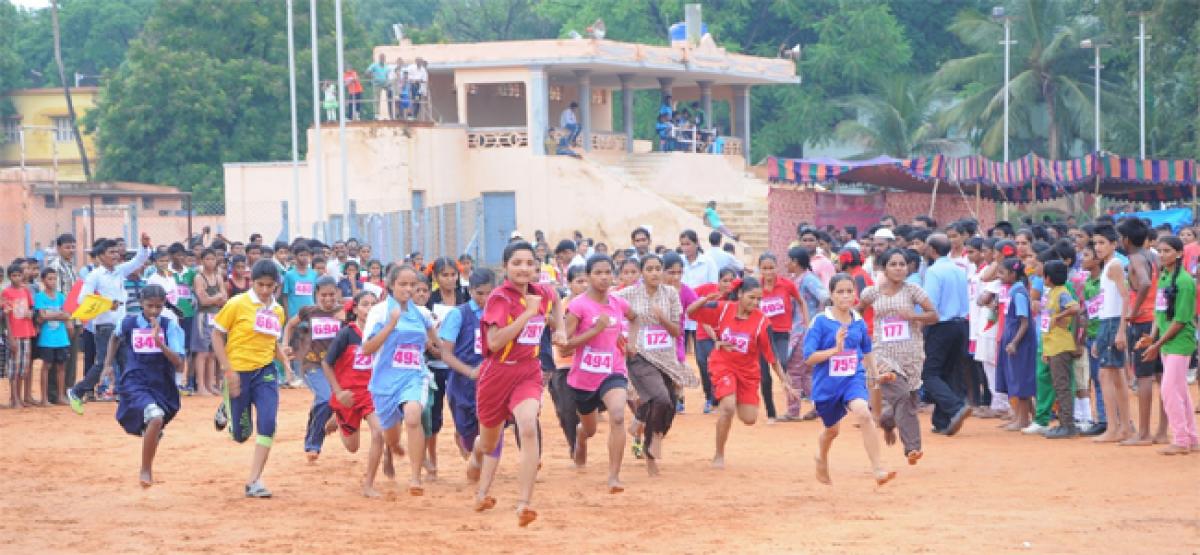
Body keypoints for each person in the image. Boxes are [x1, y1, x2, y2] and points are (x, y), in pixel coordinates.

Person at [468, 241, 566, 527]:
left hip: (528, 372)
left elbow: (557, 299)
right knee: (489, 442)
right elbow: (494, 342)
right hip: (496, 374)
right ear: (505, 267)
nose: (524, 269)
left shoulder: (543, 293)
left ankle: (524, 503)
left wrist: (558, 327)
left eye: (529, 263)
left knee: (528, 426)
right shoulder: (499, 298)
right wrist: (527, 314)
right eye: (517, 263)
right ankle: (476, 454)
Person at [687, 278, 795, 469]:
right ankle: (719, 454)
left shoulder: (762, 321)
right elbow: (691, 312)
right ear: (739, 295)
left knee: (749, 418)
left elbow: (772, 356)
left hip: (747, 372)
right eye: (751, 297)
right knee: (728, 407)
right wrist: (704, 300)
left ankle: (732, 395)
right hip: (723, 365)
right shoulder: (723, 309)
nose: (755, 303)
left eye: (758, 299)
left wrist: (785, 381)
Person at [803, 274, 894, 486]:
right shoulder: (820, 322)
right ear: (832, 295)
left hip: (852, 378)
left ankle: (878, 468)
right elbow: (808, 358)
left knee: (863, 411)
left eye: (849, 291)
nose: (846, 296)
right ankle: (821, 456)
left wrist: (874, 375)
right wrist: (835, 350)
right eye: (840, 292)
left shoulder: (858, 321)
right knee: (832, 430)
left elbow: (867, 349)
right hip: (827, 385)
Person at [211, 259, 289, 498]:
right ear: (251, 282)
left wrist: (284, 360)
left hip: (265, 372)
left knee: (268, 423)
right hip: (238, 372)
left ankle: (254, 480)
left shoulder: (277, 310)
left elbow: (271, 339)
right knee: (240, 435)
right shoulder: (237, 304)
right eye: (260, 285)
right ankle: (226, 407)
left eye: (269, 286)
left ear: (276, 285)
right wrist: (228, 370)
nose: (265, 291)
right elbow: (216, 334)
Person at [361, 265, 440, 496]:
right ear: (391, 286)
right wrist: (391, 324)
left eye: (412, 285)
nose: (408, 289)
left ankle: (415, 478)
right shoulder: (379, 312)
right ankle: (392, 446)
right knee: (391, 436)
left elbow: (438, 345)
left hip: (414, 375)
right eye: (403, 284)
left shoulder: (422, 313)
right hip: (385, 381)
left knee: (413, 415)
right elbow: (367, 349)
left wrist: (446, 352)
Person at [563, 255, 636, 492]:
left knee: (617, 415)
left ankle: (614, 476)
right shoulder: (577, 306)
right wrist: (596, 329)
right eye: (598, 273)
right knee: (590, 429)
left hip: (613, 371)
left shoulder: (618, 303)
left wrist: (632, 343)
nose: (604, 277)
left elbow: (635, 319)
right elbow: (565, 345)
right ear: (589, 276)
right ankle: (581, 436)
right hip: (584, 378)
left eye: (608, 272)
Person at [857, 249, 938, 463]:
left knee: (909, 399)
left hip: (910, 353)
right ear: (884, 268)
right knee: (901, 394)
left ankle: (887, 420)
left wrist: (914, 315)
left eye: (902, 264)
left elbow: (934, 315)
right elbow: (857, 312)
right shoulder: (871, 293)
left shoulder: (914, 291)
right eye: (893, 264)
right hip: (882, 352)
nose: (899, 268)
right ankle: (912, 447)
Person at [614, 254, 691, 475]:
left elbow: (676, 331)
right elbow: (608, 307)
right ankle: (650, 452)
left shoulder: (671, 294)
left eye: (658, 268)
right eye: (650, 269)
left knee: (670, 403)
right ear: (641, 272)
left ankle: (646, 427)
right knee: (660, 397)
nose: (655, 273)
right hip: (639, 358)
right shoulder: (627, 294)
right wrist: (622, 339)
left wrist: (662, 318)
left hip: (666, 357)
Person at [107, 284, 184, 487]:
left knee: (156, 420)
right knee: (155, 417)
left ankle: (149, 434)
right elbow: (114, 338)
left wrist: (160, 344)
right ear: (141, 303)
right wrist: (107, 365)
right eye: (150, 306)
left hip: (161, 383)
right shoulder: (128, 323)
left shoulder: (170, 326)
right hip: (135, 379)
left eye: (159, 307)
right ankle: (146, 469)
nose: (154, 311)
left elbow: (179, 363)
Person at [67, 234, 153, 414]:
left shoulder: (119, 270)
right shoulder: (94, 275)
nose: (115, 255)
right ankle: (77, 391)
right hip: (104, 325)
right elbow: (83, 298)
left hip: (121, 324)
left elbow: (138, 260)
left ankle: (125, 396)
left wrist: (144, 246)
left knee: (125, 360)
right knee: (103, 363)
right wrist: (107, 303)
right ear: (100, 256)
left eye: (116, 251)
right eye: (111, 252)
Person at [323, 290, 392, 496]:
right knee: (352, 447)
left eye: (373, 304)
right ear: (355, 309)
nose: (369, 308)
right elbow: (326, 364)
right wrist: (338, 393)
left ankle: (368, 484)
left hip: (372, 393)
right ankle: (338, 417)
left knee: (379, 432)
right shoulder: (347, 333)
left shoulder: (381, 332)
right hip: (348, 396)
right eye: (364, 304)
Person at [1137, 235, 1200, 454]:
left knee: (1169, 390)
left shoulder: (1184, 281)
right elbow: (1159, 312)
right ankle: (1191, 437)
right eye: (1160, 251)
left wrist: (1157, 343)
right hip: (1167, 342)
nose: (1162, 255)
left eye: (1167, 251)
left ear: (1179, 254)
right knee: (1179, 390)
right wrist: (1152, 338)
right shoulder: (1164, 276)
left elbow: (1181, 320)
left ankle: (1181, 439)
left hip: (1179, 342)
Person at [438, 268, 501, 476]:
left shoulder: (501, 314)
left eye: (489, 293)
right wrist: (470, 372)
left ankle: (482, 465)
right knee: (467, 431)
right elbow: (446, 354)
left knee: (491, 426)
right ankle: (463, 438)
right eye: (479, 293)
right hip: (463, 382)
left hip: (492, 382)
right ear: (471, 290)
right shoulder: (458, 314)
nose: (484, 298)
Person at [1117, 218, 1168, 446]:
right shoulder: (1154, 256)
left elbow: (1145, 283)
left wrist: (1133, 311)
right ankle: (1161, 431)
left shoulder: (1136, 257)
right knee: (1161, 377)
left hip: (1143, 322)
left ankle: (1145, 432)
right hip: (1158, 320)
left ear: (1126, 239)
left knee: (1144, 377)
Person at [282, 276, 343, 462]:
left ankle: (314, 430)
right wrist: (285, 345)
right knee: (325, 399)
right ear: (316, 295)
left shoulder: (344, 312)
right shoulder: (308, 311)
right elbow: (290, 325)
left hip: (336, 367)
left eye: (332, 294)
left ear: (338, 294)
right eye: (323, 295)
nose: (328, 299)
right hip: (312, 364)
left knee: (324, 403)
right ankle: (313, 445)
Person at [919, 234, 972, 435]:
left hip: (940, 325)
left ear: (932, 250)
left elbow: (930, 303)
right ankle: (941, 420)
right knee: (949, 371)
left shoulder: (934, 271)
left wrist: (920, 322)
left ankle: (955, 407)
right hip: (960, 324)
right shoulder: (959, 269)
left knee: (930, 373)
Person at [1090, 224, 1135, 443]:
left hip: (1113, 322)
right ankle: (1123, 427)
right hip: (1106, 321)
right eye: (1095, 243)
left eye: (1101, 243)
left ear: (1113, 244)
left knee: (1107, 375)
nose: (1097, 247)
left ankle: (1114, 427)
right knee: (1115, 376)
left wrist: (1120, 331)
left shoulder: (1114, 265)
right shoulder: (1109, 265)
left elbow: (1125, 297)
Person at [1040, 260, 1081, 438]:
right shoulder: (1053, 293)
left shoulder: (1062, 293)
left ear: (1048, 278)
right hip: (1053, 345)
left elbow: (1075, 308)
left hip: (1060, 345)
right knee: (1059, 385)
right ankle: (1065, 423)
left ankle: (1068, 425)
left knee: (1062, 386)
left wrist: (1059, 316)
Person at [996, 257, 1036, 431]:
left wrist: (1013, 342)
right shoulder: (1014, 290)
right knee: (1016, 380)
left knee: (1022, 381)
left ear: (1013, 274)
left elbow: (1024, 322)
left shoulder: (1019, 293)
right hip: (1015, 341)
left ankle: (1023, 420)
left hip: (1021, 344)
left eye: (1002, 273)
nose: (999, 276)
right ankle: (1019, 417)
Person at [44, 233, 78, 404]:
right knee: (58, 358)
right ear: (58, 248)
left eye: (73, 246)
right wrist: (67, 320)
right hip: (61, 319)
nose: (71, 250)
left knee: (70, 358)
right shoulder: (55, 267)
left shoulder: (72, 266)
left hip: (74, 317)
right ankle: (54, 393)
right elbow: (56, 297)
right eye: (67, 247)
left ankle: (67, 392)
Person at [191, 249, 228, 396]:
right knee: (202, 352)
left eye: (213, 259)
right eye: (207, 259)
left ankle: (210, 384)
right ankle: (201, 386)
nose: (210, 262)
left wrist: (215, 298)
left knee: (213, 352)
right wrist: (217, 297)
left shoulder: (218, 277)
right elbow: (203, 301)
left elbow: (224, 299)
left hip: (216, 316)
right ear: (202, 261)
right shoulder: (199, 278)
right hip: (203, 316)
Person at [32, 268, 70, 406]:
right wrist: (58, 314)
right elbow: (42, 316)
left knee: (61, 367)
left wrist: (51, 315)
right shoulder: (40, 297)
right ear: (43, 280)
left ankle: (60, 396)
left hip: (61, 338)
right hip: (47, 338)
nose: (53, 282)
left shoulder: (61, 296)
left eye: (54, 279)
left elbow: (67, 314)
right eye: (50, 279)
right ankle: (44, 398)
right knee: (46, 366)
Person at [4, 263, 36, 407]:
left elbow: (31, 308)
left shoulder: (26, 291)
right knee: (14, 367)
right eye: (14, 275)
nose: (17, 278)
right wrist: (10, 336)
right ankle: (14, 397)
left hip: (26, 331)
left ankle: (20, 397)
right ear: (10, 277)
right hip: (14, 333)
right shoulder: (6, 293)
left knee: (24, 367)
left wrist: (31, 314)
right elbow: (6, 316)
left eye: (19, 275)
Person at [367, 53, 393, 119]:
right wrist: (372, 77)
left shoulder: (386, 66)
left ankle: (391, 113)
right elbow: (367, 71)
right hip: (377, 83)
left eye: (383, 58)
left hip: (385, 83)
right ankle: (376, 114)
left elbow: (388, 75)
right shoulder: (375, 65)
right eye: (381, 58)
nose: (382, 59)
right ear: (379, 58)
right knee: (376, 98)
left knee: (391, 93)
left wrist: (389, 82)